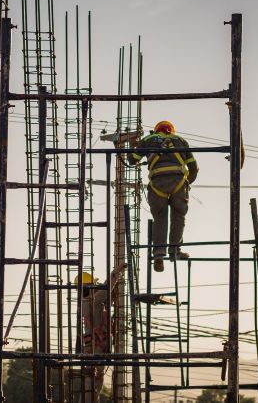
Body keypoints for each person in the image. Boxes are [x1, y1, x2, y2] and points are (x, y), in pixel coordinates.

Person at [128, 120, 198, 272]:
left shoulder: (147, 140)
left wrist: (132, 146)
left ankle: (159, 255)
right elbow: (194, 167)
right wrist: (187, 184)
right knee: (178, 216)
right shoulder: (180, 141)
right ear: (171, 131)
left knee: (160, 218)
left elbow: (132, 160)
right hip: (178, 184)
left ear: (156, 130)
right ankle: (175, 252)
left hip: (157, 184)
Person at [74, 264, 126, 402]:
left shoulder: (84, 304)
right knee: (93, 380)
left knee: (92, 380)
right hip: (95, 347)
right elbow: (107, 288)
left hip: (91, 346)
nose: (96, 287)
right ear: (88, 287)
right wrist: (116, 272)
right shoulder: (94, 301)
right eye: (94, 285)